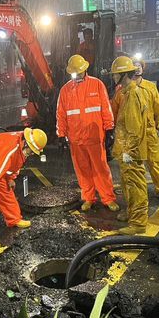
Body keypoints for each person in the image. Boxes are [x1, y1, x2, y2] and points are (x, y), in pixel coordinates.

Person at [56, 54, 119, 212]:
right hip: (76, 139)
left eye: (78, 72)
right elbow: (61, 114)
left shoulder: (97, 85)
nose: (76, 76)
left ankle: (108, 198)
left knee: (101, 169)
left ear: (85, 70)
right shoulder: (65, 90)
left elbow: (105, 107)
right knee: (82, 171)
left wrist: (109, 129)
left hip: (95, 137)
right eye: (73, 73)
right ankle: (88, 198)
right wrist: (61, 135)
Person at [0, 128, 47, 249]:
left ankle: (14, 219)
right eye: (31, 150)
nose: (31, 153)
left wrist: (11, 177)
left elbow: (17, 162)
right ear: (27, 143)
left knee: (6, 190)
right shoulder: (11, 148)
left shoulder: (22, 146)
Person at [111, 57, 159, 204]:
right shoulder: (121, 92)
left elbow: (158, 109)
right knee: (132, 171)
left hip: (148, 133)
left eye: (139, 66)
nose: (137, 68)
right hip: (132, 138)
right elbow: (115, 111)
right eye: (135, 66)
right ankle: (133, 201)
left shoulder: (150, 87)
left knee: (155, 161)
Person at [110, 57, 149, 232]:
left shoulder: (132, 95)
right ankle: (132, 212)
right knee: (128, 183)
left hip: (131, 151)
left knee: (136, 185)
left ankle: (139, 223)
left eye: (115, 74)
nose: (113, 77)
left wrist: (128, 152)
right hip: (125, 149)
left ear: (123, 74)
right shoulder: (126, 92)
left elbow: (134, 128)